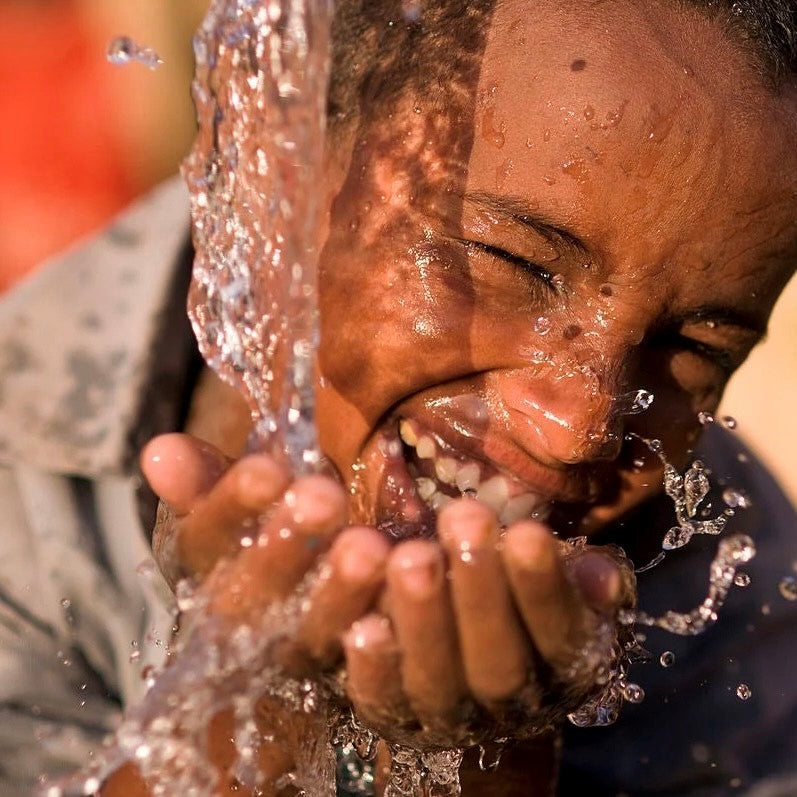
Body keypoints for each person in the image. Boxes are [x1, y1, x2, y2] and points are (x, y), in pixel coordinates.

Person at [0, 0, 795, 794]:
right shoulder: (20, 477)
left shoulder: (737, 604)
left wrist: (488, 761)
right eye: (512, 263)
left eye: (695, 349)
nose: (577, 427)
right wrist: (248, 711)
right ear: (264, 160)